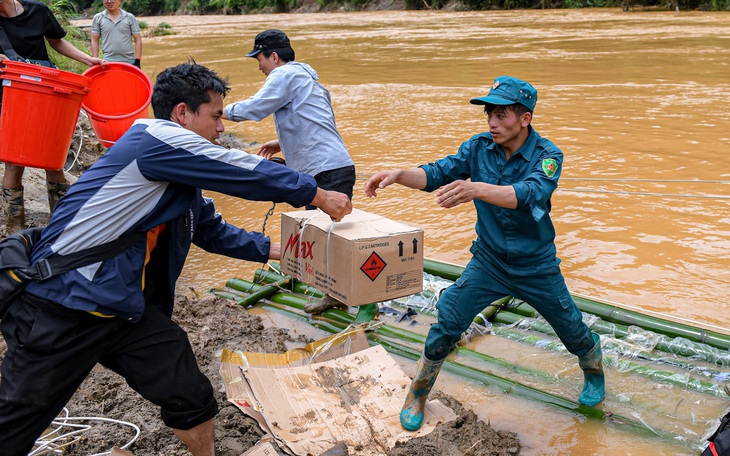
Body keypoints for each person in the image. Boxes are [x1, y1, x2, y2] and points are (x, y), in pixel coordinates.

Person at [0, 61, 351, 456]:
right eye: (216, 116)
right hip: (63, 305)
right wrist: (315, 194)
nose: (222, 128)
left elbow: (211, 230)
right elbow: (238, 168)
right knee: (16, 423)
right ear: (182, 113)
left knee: (191, 394)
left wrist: (289, 253)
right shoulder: (154, 139)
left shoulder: (178, 171)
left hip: (120, 309)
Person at [364, 75, 605, 431]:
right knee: (447, 324)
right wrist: (400, 174)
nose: (492, 122)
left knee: (572, 329)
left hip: (535, 265)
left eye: (502, 115)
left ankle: (593, 370)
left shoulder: (548, 155)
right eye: (489, 113)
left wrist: (476, 188)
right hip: (489, 262)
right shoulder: (478, 148)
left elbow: (527, 194)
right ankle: (418, 391)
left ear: (525, 118)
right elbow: (435, 173)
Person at [223, 28, 356, 314]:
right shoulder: (308, 78)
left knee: (330, 234)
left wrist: (217, 111)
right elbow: (314, 122)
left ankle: (346, 294)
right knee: (323, 232)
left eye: (259, 58)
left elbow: (256, 108)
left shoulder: (283, 75)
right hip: (331, 165)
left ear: (273, 56)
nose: (259, 66)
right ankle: (333, 290)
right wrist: (281, 142)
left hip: (327, 170)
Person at [0, 0, 104, 233]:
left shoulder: (37, 11)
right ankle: (13, 232)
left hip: (46, 96)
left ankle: (62, 225)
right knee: (14, 164)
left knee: (53, 161)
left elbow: (56, 40)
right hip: (10, 98)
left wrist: (87, 59)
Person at [90, 0, 142, 67]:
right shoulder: (98, 18)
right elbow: (94, 40)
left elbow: (138, 39)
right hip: (107, 62)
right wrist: (95, 59)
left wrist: (137, 60)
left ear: (119, 1)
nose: (109, 1)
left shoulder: (129, 17)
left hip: (129, 61)